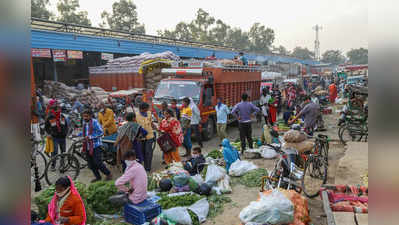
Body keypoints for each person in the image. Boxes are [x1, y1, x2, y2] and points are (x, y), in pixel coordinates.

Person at [78, 109, 112, 182]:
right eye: (84, 116)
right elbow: (84, 132)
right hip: (87, 145)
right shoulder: (84, 122)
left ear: (90, 116)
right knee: (91, 164)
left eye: (86, 116)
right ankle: (98, 177)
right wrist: (78, 135)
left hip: (95, 145)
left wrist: (90, 137)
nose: (85, 118)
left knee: (98, 162)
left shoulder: (94, 122)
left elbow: (101, 132)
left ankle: (108, 174)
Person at [45, 102, 68, 171]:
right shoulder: (50, 117)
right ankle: (53, 165)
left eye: (59, 110)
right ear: (54, 110)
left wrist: (65, 133)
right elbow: (46, 127)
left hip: (63, 137)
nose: (58, 111)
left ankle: (62, 164)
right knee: (54, 152)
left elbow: (66, 126)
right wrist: (49, 133)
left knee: (63, 152)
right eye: (57, 110)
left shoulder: (62, 117)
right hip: (54, 137)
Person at [135, 102, 156, 172]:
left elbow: (151, 122)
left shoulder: (149, 113)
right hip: (141, 137)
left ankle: (148, 167)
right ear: (141, 109)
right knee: (142, 151)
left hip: (150, 135)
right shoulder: (136, 116)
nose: (147, 110)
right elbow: (136, 126)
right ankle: (143, 166)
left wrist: (156, 128)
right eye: (146, 109)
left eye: (147, 109)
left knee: (148, 151)